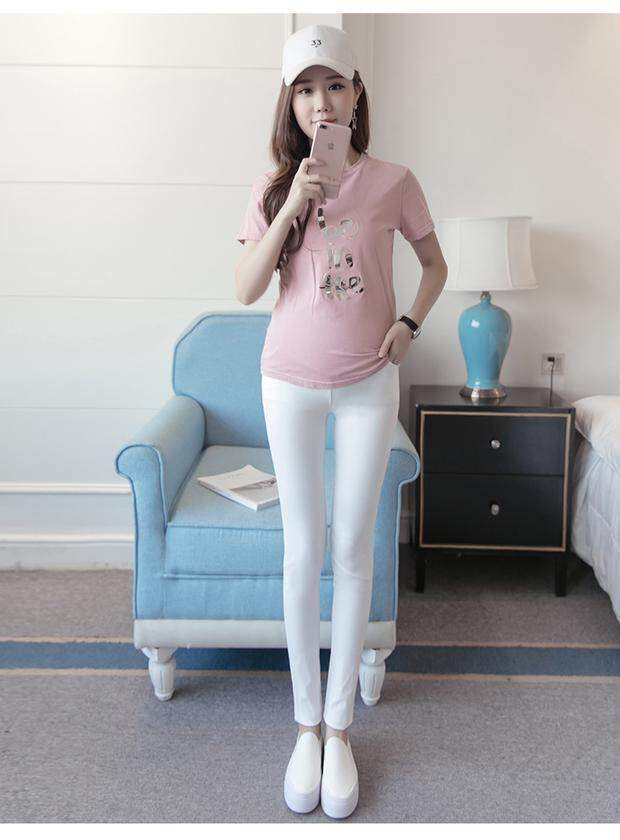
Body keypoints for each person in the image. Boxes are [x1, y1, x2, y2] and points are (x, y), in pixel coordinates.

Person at [235, 24, 447, 819]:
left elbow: (436, 265)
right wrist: (293, 202)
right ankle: (304, 729)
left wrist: (411, 325)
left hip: (366, 384)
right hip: (287, 384)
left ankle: (340, 728)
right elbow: (246, 287)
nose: (320, 102)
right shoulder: (272, 186)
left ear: (357, 94)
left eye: (333, 85)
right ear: (290, 104)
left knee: (353, 552)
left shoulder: (394, 181)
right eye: (304, 89)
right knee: (303, 551)